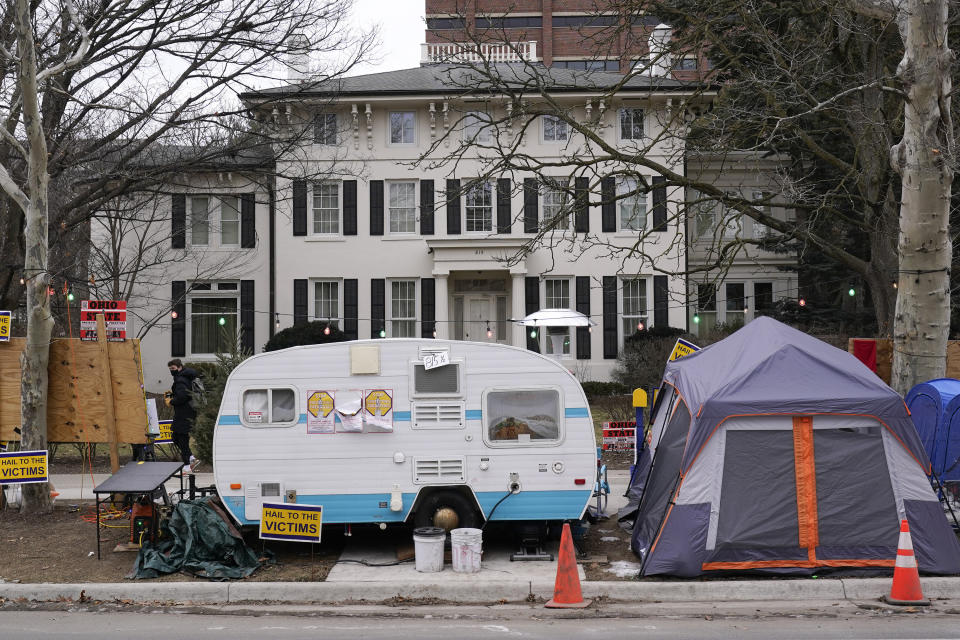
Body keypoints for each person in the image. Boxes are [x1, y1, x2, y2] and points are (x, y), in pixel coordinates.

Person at [166, 358, 200, 473]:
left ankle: (187, 465)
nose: (172, 371)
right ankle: (191, 458)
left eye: (173, 368)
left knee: (182, 439)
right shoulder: (184, 377)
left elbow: (182, 397)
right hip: (186, 412)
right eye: (170, 369)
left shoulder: (181, 380)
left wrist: (171, 401)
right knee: (175, 437)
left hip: (184, 413)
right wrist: (172, 395)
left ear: (179, 367)